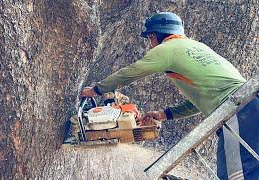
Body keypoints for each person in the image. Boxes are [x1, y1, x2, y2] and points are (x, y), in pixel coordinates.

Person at [80, 12, 259, 179]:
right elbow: (200, 100)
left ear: (154, 36)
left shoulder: (167, 48)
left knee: (234, 176)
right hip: (250, 104)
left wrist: (96, 90)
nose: (150, 44)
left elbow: (132, 72)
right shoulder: (197, 46)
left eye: (150, 38)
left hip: (238, 113)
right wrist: (164, 114)